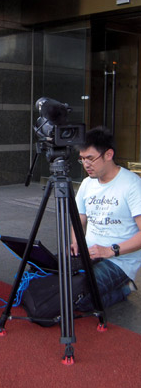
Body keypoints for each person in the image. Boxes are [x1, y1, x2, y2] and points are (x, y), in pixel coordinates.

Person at [71, 126, 141, 311]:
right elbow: (79, 218)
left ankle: (124, 289)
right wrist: (75, 240)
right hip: (88, 255)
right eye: (82, 159)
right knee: (56, 282)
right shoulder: (87, 184)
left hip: (119, 261)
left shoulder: (132, 185)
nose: (86, 164)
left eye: (90, 158)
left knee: (79, 297)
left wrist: (110, 251)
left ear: (108, 154)